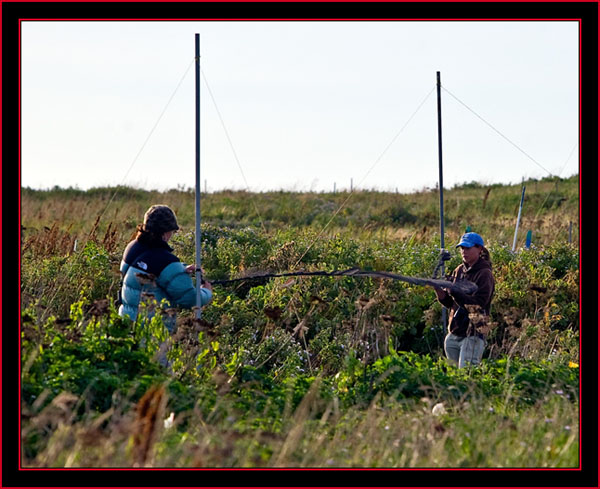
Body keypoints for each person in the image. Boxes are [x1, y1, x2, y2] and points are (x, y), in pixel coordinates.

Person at [118, 204, 213, 333]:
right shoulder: (165, 261)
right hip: (152, 333)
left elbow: (150, 265)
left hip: (125, 324)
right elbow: (189, 299)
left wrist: (181, 268)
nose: (172, 235)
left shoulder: (133, 248)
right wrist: (206, 292)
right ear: (165, 232)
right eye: (172, 231)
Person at [434, 232, 495, 368]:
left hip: (473, 334)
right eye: (462, 248)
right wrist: (438, 289)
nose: (464, 252)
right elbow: (451, 303)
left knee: (466, 378)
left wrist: (454, 291)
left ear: (479, 249)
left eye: (468, 248)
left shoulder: (485, 274)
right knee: (452, 378)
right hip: (454, 333)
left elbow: (478, 304)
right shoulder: (459, 270)